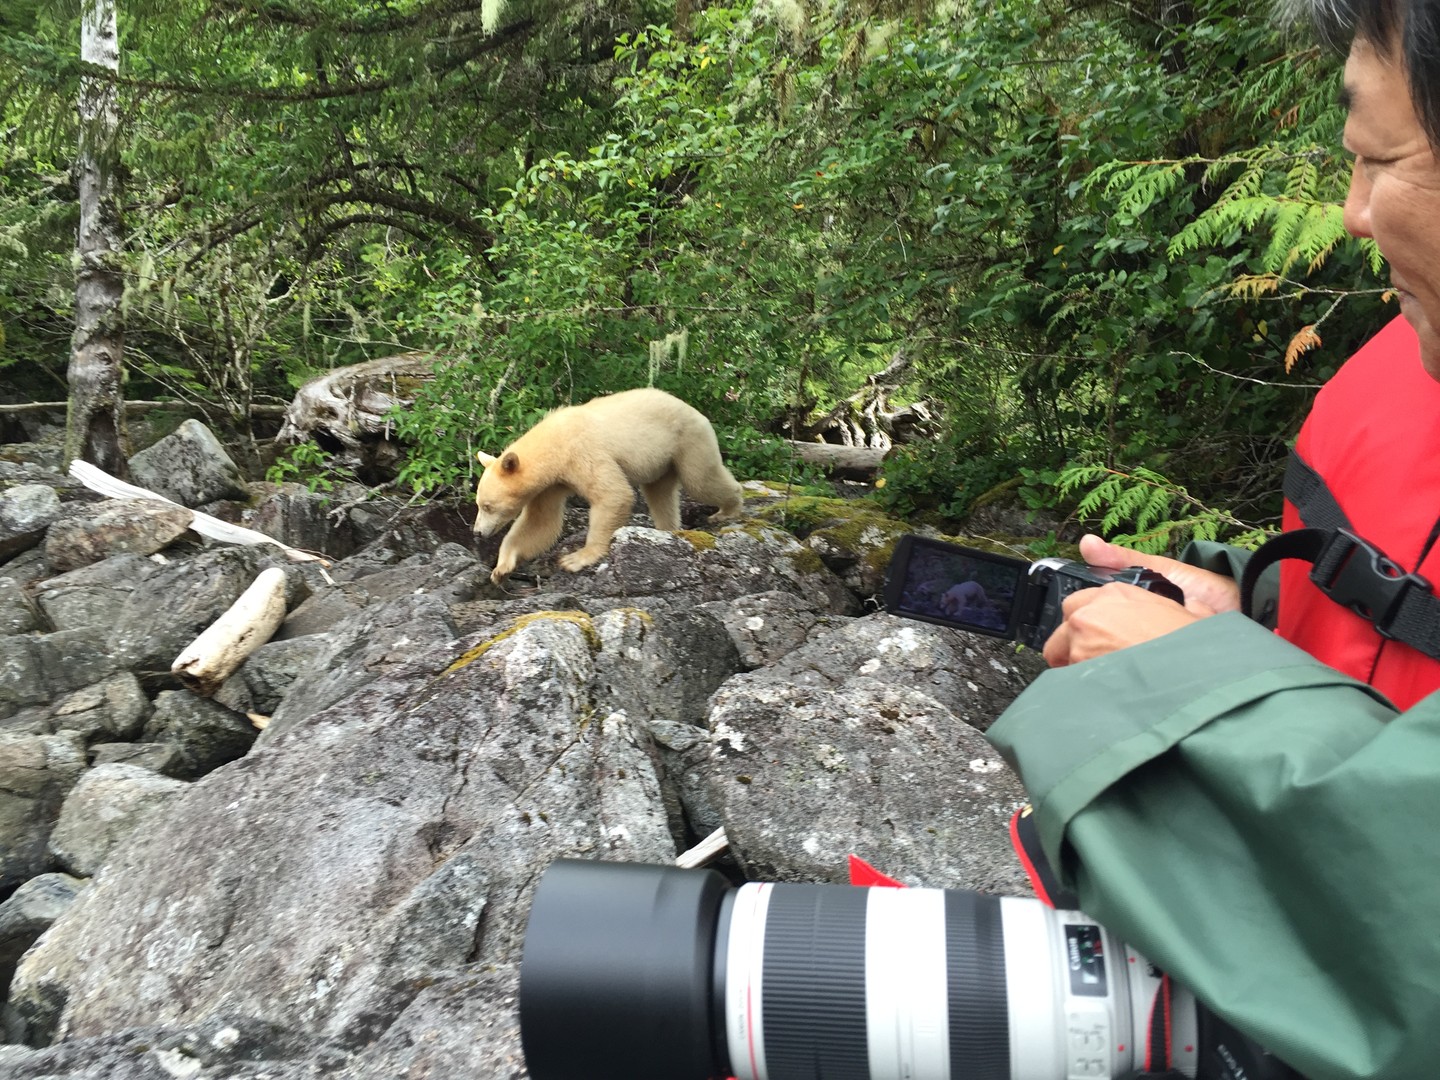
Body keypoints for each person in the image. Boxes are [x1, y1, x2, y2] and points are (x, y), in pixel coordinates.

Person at [986, 2, 1440, 1077]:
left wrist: (1197, 686)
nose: (1353, 215)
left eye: (1382, 161)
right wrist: (1250, 613)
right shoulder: (1400, 368)